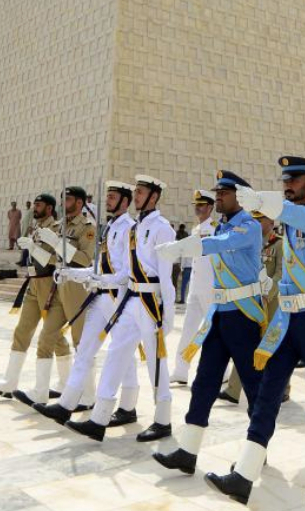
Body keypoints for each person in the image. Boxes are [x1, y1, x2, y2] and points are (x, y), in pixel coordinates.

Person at [207, 156, 305, 505]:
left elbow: (299, 219)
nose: (288, 183)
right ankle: (244, 474)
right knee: (268, 392)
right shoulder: (289, 218)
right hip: (287, 320)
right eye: (285, 178)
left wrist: (265, 202)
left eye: (295, 179)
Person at [152, 171, 265, 476]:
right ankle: (188, 452)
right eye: (217, 192)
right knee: (204, 382)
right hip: (219, 313)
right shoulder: (220, 226)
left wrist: (179, 249)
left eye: (224, 193)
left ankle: (257, 452)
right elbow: (204, 239)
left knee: (254, 388)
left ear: (239, 197)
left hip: (243, 315)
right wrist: (178, 247)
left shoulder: (250, 227)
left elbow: (218, 244)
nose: (218, 197)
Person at [66, 175, 176, 443]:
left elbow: (166, 276)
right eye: (136, 192)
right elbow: (125, 273)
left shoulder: (163, 229)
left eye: (141, 192)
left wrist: (168, 314)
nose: (136, 196)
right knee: (116, 354)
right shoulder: (136, 228)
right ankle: (100, 418)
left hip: (151, 303)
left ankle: (163, 421)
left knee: (155, 362)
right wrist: (94, 278)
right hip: (132, 300)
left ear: (154, 196)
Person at [34, 181, 142, 424]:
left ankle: (127, 407)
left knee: (123, 354)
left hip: (118, 298)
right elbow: (96, 266)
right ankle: (66, 404)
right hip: (100, 297)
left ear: (125, 201)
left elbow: (128, 271)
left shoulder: (130, 228)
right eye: (108, 196)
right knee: (84, 350)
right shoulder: (109, 227)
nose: (109, 200)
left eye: (113, 197)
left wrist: (98, 278)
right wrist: (73, 274)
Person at [13, 186, 96, 407]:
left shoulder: (87, 228)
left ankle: (89, 397)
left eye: (67, 199)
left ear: (79, 203)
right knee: (46, 337)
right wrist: (33, 248)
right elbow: (52, 260)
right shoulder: (60, 227)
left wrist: (58, 243)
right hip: (58, 287)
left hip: (77, 290)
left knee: (81, 343)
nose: (63, 203)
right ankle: (40, 392)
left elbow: (85, 259)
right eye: (62, 199)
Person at [0, 194, 63, 399]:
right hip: (34, 283)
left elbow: (55, 260)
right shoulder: (35, 228)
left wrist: (33, 248)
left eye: (39, 204)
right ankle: (10, 382)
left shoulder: (56, 228)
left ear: (50, 207)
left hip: (48, 284)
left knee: (55, 337)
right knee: (22, 331)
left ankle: (64, 383)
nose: (35, 208)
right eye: (34, 204)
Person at [222, 209, 290, 403]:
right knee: (244, 343)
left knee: (273, 346)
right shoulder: (251, 242)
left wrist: (268, 292)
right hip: (252, 301)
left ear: (271, 221)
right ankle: (233, 390)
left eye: (260, 219)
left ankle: (283, 388)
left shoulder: (280, 245)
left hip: (272, 303)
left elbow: (280, 274)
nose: (256, 223)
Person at [170, 190, 217, 384]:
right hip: (196, 288)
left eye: (202, 205)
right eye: (196, 205)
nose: (198, 208)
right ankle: (181, 371)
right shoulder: (195, 229)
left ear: (210, 207)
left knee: (213, 332)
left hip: (210, 288)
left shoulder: (216, 228)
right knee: (188, 330)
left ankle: (220, 373)